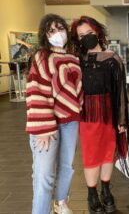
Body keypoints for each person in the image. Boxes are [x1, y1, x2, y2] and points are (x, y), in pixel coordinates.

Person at [71, 16, 129, 214]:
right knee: (91, 154)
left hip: (109, 113)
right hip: (87, 114)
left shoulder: (113, 59)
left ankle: (106, 190)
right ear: (77, 39)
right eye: (81, 36)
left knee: (108, 152)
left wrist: (122, 119)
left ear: (97, 32)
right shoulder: (76, 61)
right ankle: (92, 194)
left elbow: (121, 91)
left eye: (89, 33)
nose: (86, 38)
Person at [26, 14, 83, 214]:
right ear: (44, 35)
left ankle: (60, 203)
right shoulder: (42, 57)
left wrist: (78, 111)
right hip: (45, 126)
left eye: (60, 28)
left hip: (70, 121)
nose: (57, 33)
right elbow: (37, 91)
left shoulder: (73, 58)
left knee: (67, 167)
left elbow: (77, 91)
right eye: (51, 30)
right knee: (44, 175)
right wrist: (42, 128)